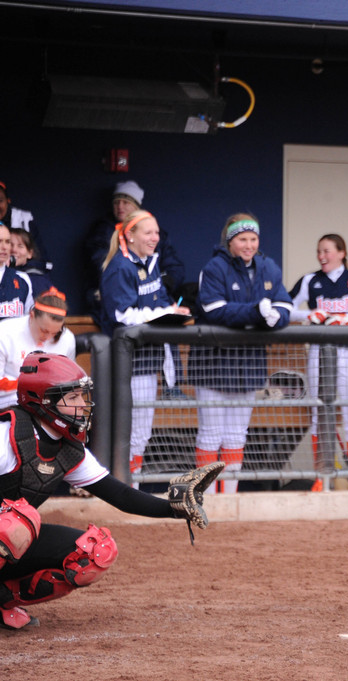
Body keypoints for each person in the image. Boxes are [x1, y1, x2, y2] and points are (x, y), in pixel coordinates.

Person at [0, 353, 221, 630]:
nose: (83, 404)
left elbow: (120, 496)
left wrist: (173, 508)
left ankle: (2, 601)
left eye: (83, 395)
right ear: (42, 400)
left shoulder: (67, 448)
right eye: (72, 397)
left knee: (93, 552)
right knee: (15, 523)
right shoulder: (6, 435)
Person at [191, 213, 291, 494]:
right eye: (242, 239)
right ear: (230, 241)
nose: (248, 245)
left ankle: (230, 496)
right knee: (211, 433)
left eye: (253, 239)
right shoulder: (214, 267)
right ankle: (205, 496)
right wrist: (255, 312)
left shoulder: (268, 266)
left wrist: (276, 318)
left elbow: (285, 303)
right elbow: (213, 310)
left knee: (237, 434)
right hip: (213, 361)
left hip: (249, 361)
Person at [99, 210, 188, 485]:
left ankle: (131, 486)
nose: (155, 238)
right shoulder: (120, 267)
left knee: (141, 431)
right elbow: (122, 315)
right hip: (130, 361)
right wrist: (158, 314)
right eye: (148, 233)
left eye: (157, 233)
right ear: (130, 235)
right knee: (130, 430)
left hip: (150, 358)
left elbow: (157, 302)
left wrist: (172, 310)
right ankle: (125, 487)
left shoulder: (151, 263)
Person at [289, 234, 348, 487]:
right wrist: (310, 314)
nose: (322, 256)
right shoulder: (310, 280)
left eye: (327, 251)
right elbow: (284, 308)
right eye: (319, 251)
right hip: (318, 352)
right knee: (319, 413)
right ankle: (321, 476)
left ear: (341, 252)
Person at [85, 180, 186, 322]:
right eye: (116, 202)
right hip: (128, 326)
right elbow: (123, 314)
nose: (120, 206)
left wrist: (170, 306)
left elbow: (174, 268)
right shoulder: (117, 261)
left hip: (152, 328)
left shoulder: (152, 256)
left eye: (126, 202)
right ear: (130, 236)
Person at [0, 288, 76, 408]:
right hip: (9, 401)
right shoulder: (5, 331)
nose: (47, 337)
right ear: (32, 315)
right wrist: (32, 386)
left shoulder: (67, 338)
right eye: (44, 330)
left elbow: (69, 380)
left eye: (54, 333)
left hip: (50, 403)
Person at [0, 180, 45, 263]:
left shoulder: (23, 220)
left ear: (8, 201)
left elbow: (41, 261)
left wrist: (16, 272)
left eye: (0, 201)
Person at [0, 222, 33, 320]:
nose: (4, 247)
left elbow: (29, 321)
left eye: (7, 241)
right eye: (0, 241)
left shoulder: (22, 279)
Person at [8, 228, 52, 296]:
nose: (14, 250)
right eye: (10, 245)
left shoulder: (37, 281)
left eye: (20, 246)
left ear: (30, 253)